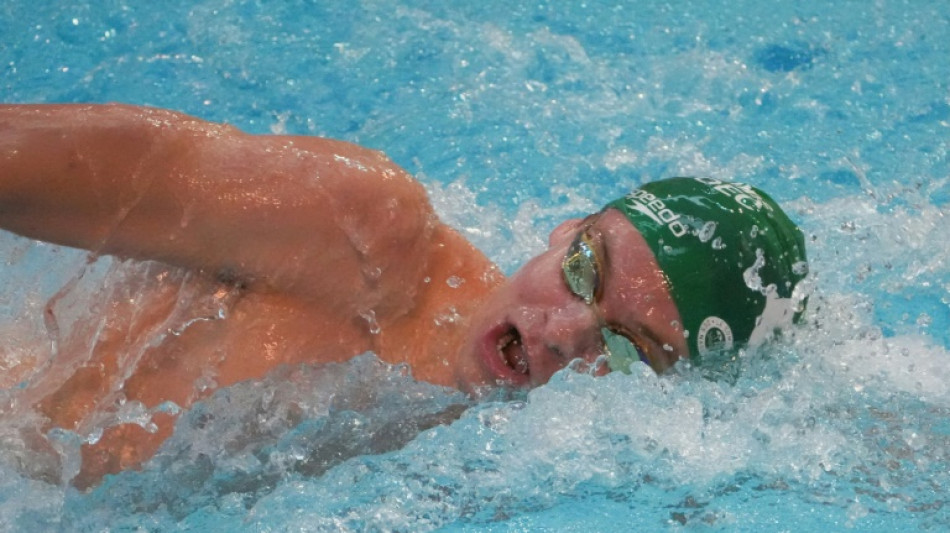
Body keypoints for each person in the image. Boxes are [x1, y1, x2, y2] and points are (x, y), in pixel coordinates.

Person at [0, 103, 808, 488]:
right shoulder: (357, 235)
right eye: (586, 273)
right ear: (566, 229)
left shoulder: (543, 473)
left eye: (629, 348)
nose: (565, 334)